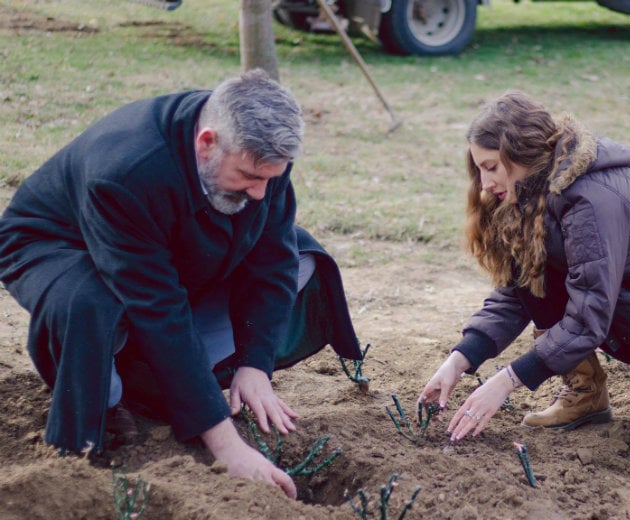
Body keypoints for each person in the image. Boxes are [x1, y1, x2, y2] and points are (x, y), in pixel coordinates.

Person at [0, 69, 363, 499]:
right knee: (92, 304)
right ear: (206, 142)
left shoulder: (258, 154)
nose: (262, 193)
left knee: (303, 257)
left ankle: (158, 377)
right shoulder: (124, 173)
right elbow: (158, 306)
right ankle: (111, 395)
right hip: (57, 242)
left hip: (167, 247)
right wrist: (229, 448)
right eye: (250, 176)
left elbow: (272, 261)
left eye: (272, 178)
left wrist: (255, 363)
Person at [418, 91, 630, 452]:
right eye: (479, 168)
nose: (484, 184)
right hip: (626, 326)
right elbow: (517, 295)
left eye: (491, 167)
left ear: (522, 155)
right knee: (534, 276)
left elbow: (589, 312)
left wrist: (507, 380)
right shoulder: (525, 197)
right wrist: (459, 360)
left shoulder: (592, 198)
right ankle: (586, 393)